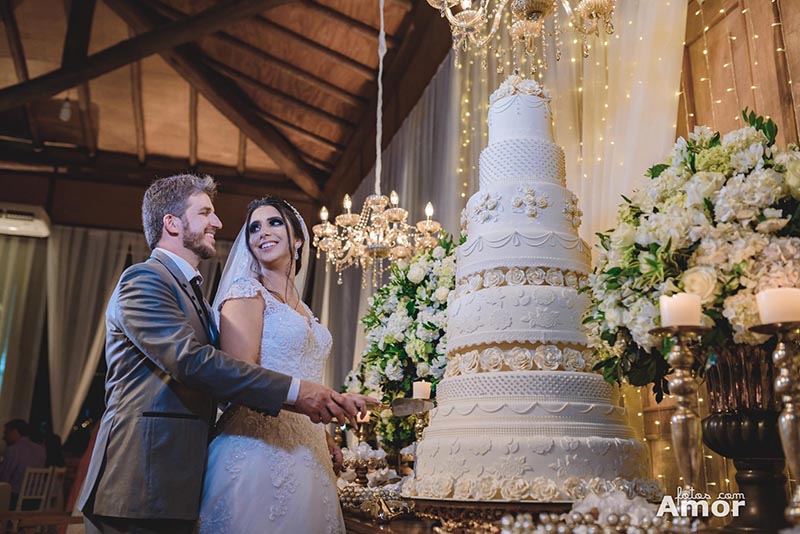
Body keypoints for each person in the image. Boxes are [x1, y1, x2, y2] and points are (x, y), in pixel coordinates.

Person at [77, 174, 376, 534]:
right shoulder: (144, 280)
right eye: (205, 213)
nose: (218, 223)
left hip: (180, 479)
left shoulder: (196, 297)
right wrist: (301, 394)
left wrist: (311, 428)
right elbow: (191, 362)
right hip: (142, 479)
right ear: (171, 223)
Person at [197, 197, 347, 533]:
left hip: (310, 454)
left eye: (274, 222)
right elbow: (240, 379)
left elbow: (306, 373)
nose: (262, 232)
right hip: (256, 451)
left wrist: (323, 437)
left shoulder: (305, 309)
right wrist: (313, 403)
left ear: (297, 240)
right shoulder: (246, 294)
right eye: (254, 227)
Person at [0, 419, 46, 510]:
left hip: (15, 499)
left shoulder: (13, 450)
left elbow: (4, 478)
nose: (4, 437)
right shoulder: (41, 450)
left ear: (15, 431)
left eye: (6, 433)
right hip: (36, 499)